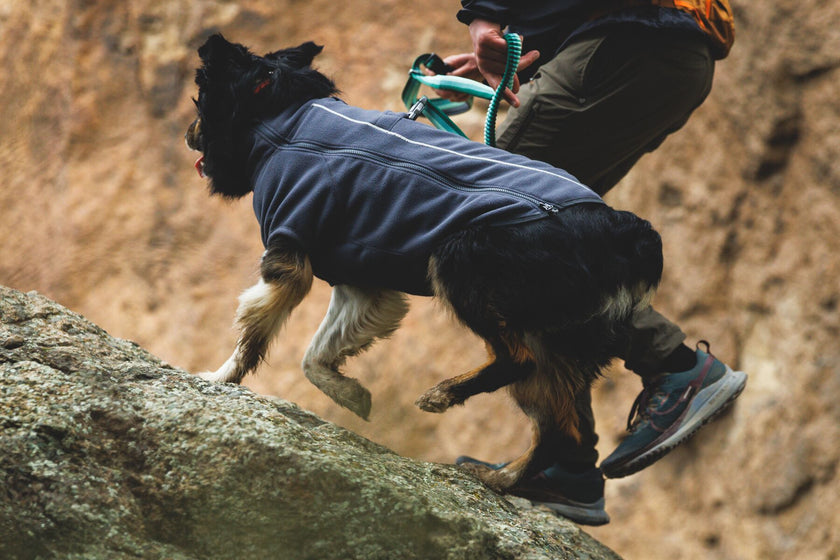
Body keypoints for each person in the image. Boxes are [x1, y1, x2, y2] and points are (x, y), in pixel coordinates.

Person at [439, 0, 747, 526]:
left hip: (629, 44)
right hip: (655, 52)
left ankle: (675, 367)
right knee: (535, 243)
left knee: (490, 219)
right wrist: (530, 44)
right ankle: (564, 462)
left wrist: (486, 16)